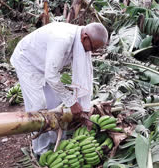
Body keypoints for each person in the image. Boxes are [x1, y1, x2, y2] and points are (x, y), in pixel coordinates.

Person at [10, 22, 108, 155]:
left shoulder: (80, 41)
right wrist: (72, 102)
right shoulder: (62, 39)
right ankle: (41, 151)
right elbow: (51, 76)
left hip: (46, 66)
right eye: (93, 48)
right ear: (85, 37)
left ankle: (56, 141)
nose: (93, 52)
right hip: (27, 62)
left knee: (54, 104)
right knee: (38, 107)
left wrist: (84, 109)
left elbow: (84, 74)